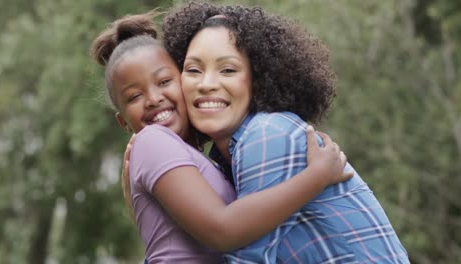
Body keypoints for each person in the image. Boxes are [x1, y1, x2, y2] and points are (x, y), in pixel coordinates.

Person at [90, 11, 352, 263]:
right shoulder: (152, 141)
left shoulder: (202, 159)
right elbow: (222, 230)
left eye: (164, 82)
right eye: (135, 96)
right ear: (123, 122)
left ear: (182, 80)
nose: (153, 98)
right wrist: (316, 177)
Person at [163, 2, 410, 263]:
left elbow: (246, 257)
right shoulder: (229, 155)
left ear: (258, 79)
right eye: (193, 70)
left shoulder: (267, 134)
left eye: (228, 70)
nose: (207, 84)